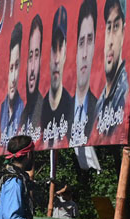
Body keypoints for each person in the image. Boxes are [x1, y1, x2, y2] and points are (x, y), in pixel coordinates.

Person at [95, 0, 129, 139]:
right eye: (108, 28)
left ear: (124, 32)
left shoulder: (125, 93)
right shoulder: (99, 101)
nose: (110, 41)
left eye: (116, 26)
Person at [41, 6, 73, 148]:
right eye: (54, 48)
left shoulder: (71, 108)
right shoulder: (39, 109)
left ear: (66, 54)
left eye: (61, 48)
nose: (57, 59)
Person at [71, 0, 99, 146]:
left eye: (90, 41)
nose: (85, 54)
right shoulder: (63, 110)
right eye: (81, 43)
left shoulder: (99, 110)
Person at [20, 15, 45, 140]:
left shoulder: (45, 109)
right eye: (30, 57)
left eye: (37, 55)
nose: (33, 68)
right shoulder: (22, 114)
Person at [0, 23, 25, 146]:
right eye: (11, 68)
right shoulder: (0, 112)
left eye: (17, 67)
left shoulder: (25, 111)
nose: (14, 77)